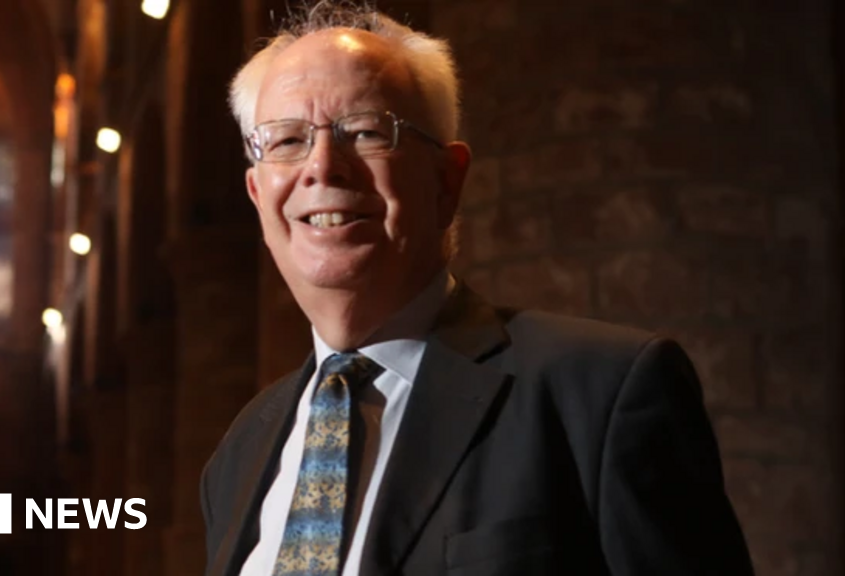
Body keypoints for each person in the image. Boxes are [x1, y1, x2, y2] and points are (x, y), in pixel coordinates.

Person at [201, 2, 754, 575]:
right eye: (287, 141)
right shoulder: (239, 453)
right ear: (258, 196)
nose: (322, 166)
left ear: (447, 181)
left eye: (365, 131)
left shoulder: (600, 393)